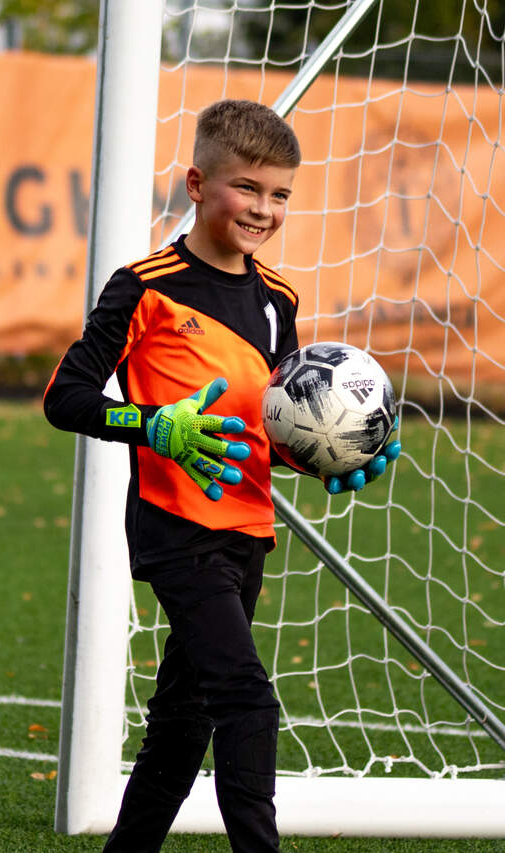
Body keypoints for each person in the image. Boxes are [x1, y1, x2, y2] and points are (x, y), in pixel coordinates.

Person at [42, 99, 399, 852]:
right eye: (247, 188)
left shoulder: (278, 299)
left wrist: (330, 459)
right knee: (247, 703)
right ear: (198, 184)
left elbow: (281, 420)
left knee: (185, 721)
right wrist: (153, 426)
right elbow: (64, 397)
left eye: (280, 194)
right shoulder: (144, 285)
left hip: (247, 532)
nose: (264, 208)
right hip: (177, 527)